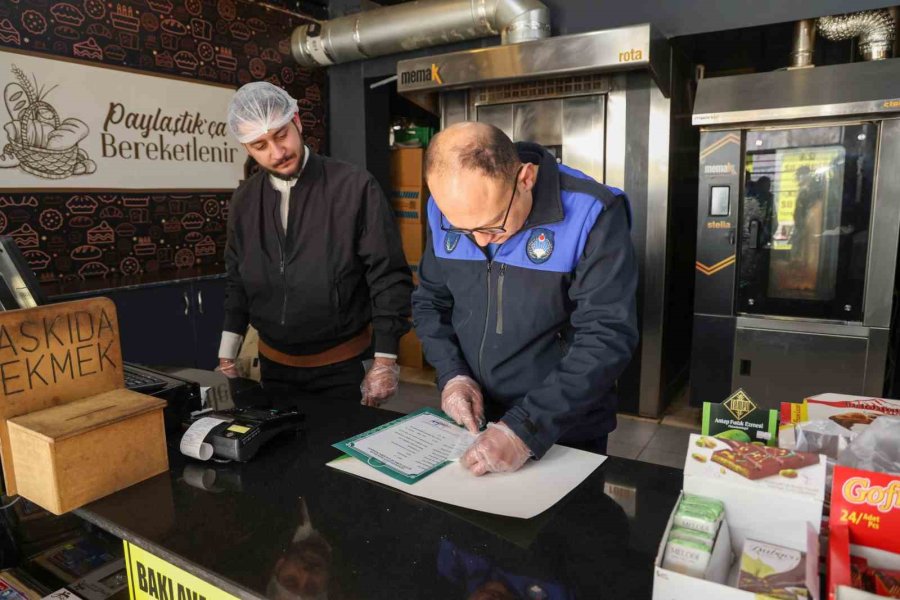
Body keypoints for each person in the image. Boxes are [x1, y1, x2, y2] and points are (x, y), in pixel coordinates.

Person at [412, 122, 638, 476]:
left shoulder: (593, 213)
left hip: (564, 424)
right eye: (461, 229)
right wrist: (453, 374)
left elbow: (606, 335)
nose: (481, 242)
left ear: (526, 179)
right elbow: (431, 301)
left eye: (492, 227)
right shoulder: (449, 209)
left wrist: (526, 428)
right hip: (477, 416)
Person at [219, 82, 412, 405]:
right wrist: (228, 351)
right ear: (247, 148)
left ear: (296, 121)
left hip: (343, 368)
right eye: (260, 145)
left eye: (281, 135)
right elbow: (237, 279)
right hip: (273, 369)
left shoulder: (354, 186)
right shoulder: (245, 200)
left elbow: (388, 275)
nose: (277, 153)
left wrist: (385, 358)